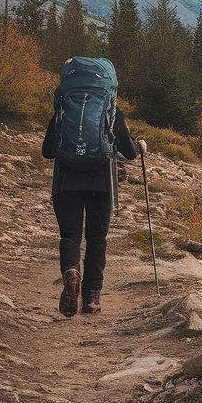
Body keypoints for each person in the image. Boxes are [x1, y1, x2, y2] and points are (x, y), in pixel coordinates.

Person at [41, 81, 146, 317]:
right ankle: (92, 296)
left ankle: (70, 272)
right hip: (101, 184)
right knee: (96, 238)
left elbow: (47, 151)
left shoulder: (64, 108)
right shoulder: (111, 110)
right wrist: (138, 145)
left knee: (70, 235)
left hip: (66, 181)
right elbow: (128, 153)